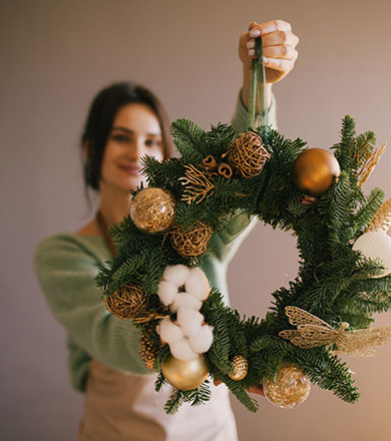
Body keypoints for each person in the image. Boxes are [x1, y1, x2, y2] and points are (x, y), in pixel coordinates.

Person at [33, 20, 299, 441]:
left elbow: (244, 177)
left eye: (153, 141)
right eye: (122, 137)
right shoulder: (63, 255)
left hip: (210, 431)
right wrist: (203, 338)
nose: (138, 152)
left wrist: (258, 86)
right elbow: (112, 335)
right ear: (92, 148)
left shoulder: (196, 233)